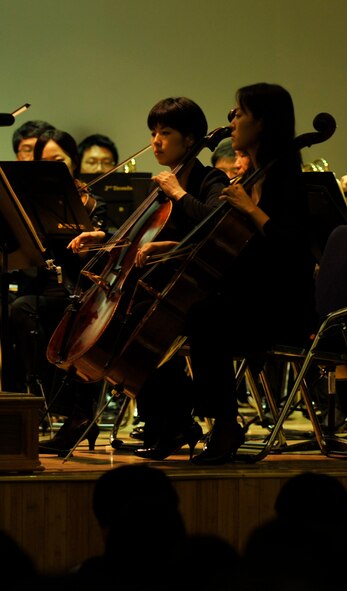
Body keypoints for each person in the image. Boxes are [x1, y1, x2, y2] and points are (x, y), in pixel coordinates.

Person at [66, 97, 230, 458]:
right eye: (152, 133)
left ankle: (173, 419)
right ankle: (167, 423)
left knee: (133, 327)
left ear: (191, 139)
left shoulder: (207, 178)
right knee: (116, 322)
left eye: (165, 133)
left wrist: (179, 193)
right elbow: (141, 241)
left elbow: (217, 224)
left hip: (194, 293)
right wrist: (104, 240)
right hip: (157, 286)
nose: (155, 141)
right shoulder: (162, 184)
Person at [181, 83, 317, 465]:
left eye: (239, 112)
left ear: (263, 122)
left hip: (285, 308)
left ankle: (222, 424)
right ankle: (193, 419)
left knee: (205, 319)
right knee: (196, 312)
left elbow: (290, 248)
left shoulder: (287, 179)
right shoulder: (255, 176)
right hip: (254, 301)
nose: (232, 119)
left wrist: (249, 208)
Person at [7, 129, 108, 455]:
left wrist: (91, 241)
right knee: (11, 307)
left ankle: (69, 411)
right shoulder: (30, 204)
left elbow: (108, 249)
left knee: (24, 308)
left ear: (73, 161)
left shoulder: (92, 204)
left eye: (59, 162)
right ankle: (16, 410)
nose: (52, 169)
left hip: (79, 289)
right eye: (44, 163)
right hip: (38, 285)